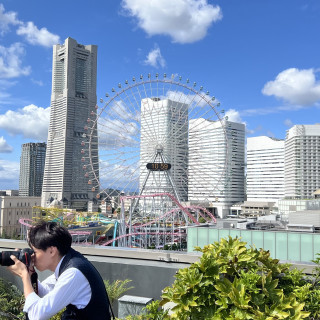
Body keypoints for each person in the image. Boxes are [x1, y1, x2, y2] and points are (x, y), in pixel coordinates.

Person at [7, 221, 113, 320]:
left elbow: (36, 315)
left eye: (35, 252)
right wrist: (30, 274)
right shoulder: (69, 261)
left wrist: (24, 276)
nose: (32, 257)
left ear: (52, 251)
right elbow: (45, 292)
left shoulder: (73, 273)